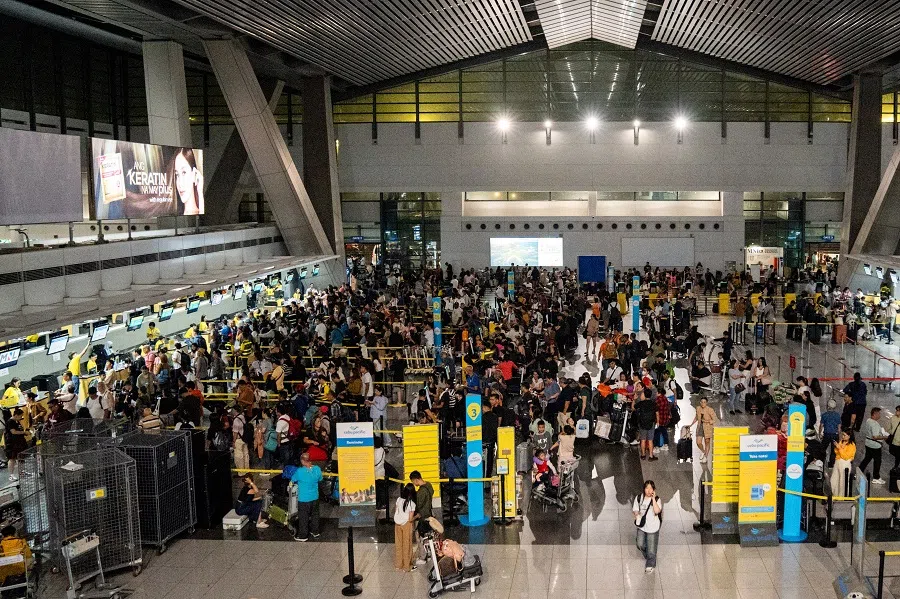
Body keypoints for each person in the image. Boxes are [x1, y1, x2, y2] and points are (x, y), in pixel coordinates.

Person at [290, 452, 323, 541]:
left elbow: (293, 479)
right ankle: (315, 532)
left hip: (304, 499)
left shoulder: (300, 471)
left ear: (303, 461)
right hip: (315, 497)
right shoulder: (317, 469)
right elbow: (320, 479)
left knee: (303, 517)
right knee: (315, 515)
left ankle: (303, 536)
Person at [632, 480, 662, 572]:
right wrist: (637, 515)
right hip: (642, 526)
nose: (649, 490)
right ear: (644, 489)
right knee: (640, 544)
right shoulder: (639, 498)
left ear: (654, 490)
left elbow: (657, 511)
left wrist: (653, 499)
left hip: (652, 527)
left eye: (651, 488)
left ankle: (650, 563)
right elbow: (635, 509)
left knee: (651, 549)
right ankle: (649, 556)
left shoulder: (657, 499)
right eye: (647, 488)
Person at [410, 470, 434, 565]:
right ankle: (429, 555)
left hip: (422, 516)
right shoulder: (429, 485)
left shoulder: (421, 492)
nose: (414, 484)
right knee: (428, 536)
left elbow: (418, 505)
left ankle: (423, 557)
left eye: (413, 482)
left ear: (416, 480)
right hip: (429, 514)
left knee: (419, 537)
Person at [172, 148, 204, 215]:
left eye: (184, 172)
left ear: (194, 173)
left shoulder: (201, 210)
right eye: (177, 175)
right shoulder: (175, 214)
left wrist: (200, 193)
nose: (180, 183)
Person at [860, 407, 888, 484]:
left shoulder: (868, 420)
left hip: (868, 443)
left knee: (867, 458)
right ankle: (876, 477)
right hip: (875, 446)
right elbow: (875, 436)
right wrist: (885, 437)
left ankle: (859, 471)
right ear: (875, 414)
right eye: (879, 413)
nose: (880, 415)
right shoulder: (875, 424)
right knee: (877, 461)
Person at [393, 483, 417, 572]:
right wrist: (417, 516)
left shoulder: (398, 499)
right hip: (406, 524)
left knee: (399, 544)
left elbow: (396, 511)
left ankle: (398, 564)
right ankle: (407, 566)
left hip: (397, 524)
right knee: (407, 544)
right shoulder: (411, 504)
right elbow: (410, 519)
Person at [634, 388, 658, 461]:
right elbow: (657, 414)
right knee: (650, 440)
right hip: (651, 423)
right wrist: (658, 422)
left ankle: (643, 455)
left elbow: (634, 407)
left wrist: (634, 399)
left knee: (643, 440)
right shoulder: (654, 404)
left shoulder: (641, 403)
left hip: (642, 423)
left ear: (644, 394)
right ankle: (651, 456)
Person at [691, 397, 717, 463]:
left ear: (706, 403)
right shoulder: (698, 408)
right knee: (698, 442)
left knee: (707, 442)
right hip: (700, 426)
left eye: (704, 402)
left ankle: (705, 457)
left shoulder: (710, 410)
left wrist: (709, 421)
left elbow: (714, 419)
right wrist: (691, 425)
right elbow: (696, 417)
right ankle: (703, 451)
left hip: (707, 427)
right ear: (700, 402)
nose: (703, 403)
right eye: (702, 402)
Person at [830, 431, 857, 496]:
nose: (843, 436)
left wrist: (839, 448)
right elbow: (836, 452)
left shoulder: (852, 445)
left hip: (845, 463)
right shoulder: (842, 441)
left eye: (844, 435)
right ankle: (835, 494)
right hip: (838, 462)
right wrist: (837, 447)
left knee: (842, 482)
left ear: (849, 436)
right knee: (834, 480)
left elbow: (846, 457)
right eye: (842, 435)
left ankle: (841, 496)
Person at [4, 409, 26, 482]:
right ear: (16, 415)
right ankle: (11, 475)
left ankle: (22, 472)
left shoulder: (17, 421)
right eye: (20, 416)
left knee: (21, 457)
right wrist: (24, 432)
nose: (21, 417)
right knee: (12, 458)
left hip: (19, 443)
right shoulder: (10, 422)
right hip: (12, 443)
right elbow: (13, 432)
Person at [820, 400, 842, 467]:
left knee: (823, 448)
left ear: (828, 406)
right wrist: (840, 436)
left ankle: (821, 461)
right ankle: (831, 464)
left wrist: (819, 434)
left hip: (826, 434)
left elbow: (821, 425)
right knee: (834, 450)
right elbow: (839, 427)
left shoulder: (824, 415)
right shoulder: (837, 415)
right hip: (835, 435)